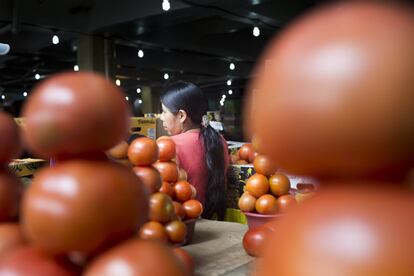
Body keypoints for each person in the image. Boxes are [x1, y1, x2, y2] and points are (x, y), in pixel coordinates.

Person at [160, 81, 229, 220]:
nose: (161, 117)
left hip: (182, 224)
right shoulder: (220, 141)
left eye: (164, 111)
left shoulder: (169, 145)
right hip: (213, 221)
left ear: (181, 116)